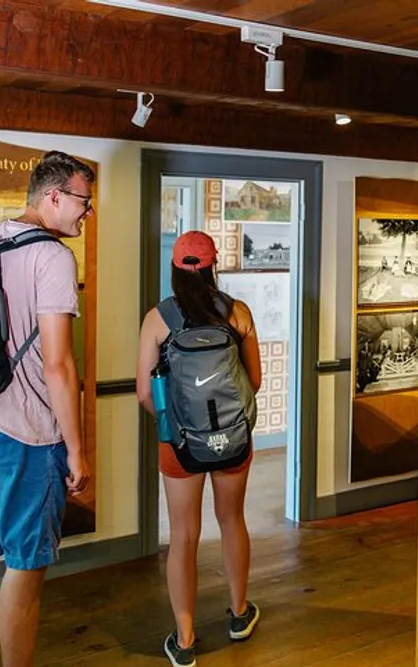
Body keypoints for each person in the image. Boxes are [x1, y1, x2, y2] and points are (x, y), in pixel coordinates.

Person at [0, 150, 93, 667]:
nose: (84, 214)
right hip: (24, 439)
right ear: (53, 196)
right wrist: (76, 450)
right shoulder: (52, 257)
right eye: (82, 202)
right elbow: (58, 365)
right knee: (24, 573)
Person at [136, 231, 263, 667]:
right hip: (233, 439)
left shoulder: (158, 319)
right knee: (232, 521)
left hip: (179, 446)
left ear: (175, 267)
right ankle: (240, 614)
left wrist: (178, 426)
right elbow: (255, 381)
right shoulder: (237, 313)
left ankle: (186, 641)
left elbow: (144, 394)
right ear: (212, 266)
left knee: (183, 537)